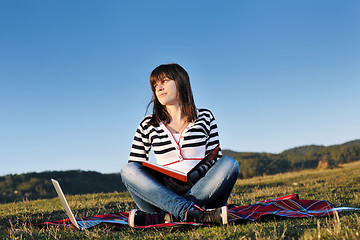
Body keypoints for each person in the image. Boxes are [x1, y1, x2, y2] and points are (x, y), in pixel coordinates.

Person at [121, 63, 239, 227]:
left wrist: (194, 175)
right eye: (155, 85)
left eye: (164, 81)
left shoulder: (205, 116)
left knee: (229, 163)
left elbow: (215, 160)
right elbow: (135, 165)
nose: (159, 87)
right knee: (128, 170)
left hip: (200, 189)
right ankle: (192, 213)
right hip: (161, 195)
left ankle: (168, 216)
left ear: (181, 82)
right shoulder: (148, 123)